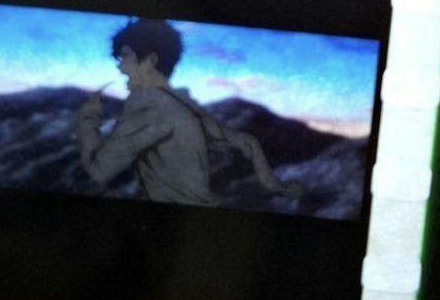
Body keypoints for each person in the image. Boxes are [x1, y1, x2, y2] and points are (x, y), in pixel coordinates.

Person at [76, 18, 302, 206]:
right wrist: (276, 185)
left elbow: (99, 170)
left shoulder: (151, 109)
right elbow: (248, 141)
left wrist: (88, 119)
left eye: (125, 56)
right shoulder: (185, 105)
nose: (120, 66)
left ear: (150, 61)